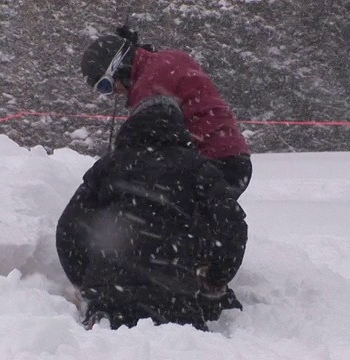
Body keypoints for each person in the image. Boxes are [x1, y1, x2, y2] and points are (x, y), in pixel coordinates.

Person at [56, 96, 248, 330]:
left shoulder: (108, 166)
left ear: (132, 125)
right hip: (175, 299)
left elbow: (69, 227)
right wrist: (215, 280)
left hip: (109, 301)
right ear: (179, 128)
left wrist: (86, 279)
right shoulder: (198, 169)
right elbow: (232, 227)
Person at [80, 26, 252, 200]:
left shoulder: (148, 86)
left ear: (118, 65)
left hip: (211, 162)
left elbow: (148, 145)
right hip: (234, 158)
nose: (113, 93)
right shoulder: (169, 59)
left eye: (106, 86)